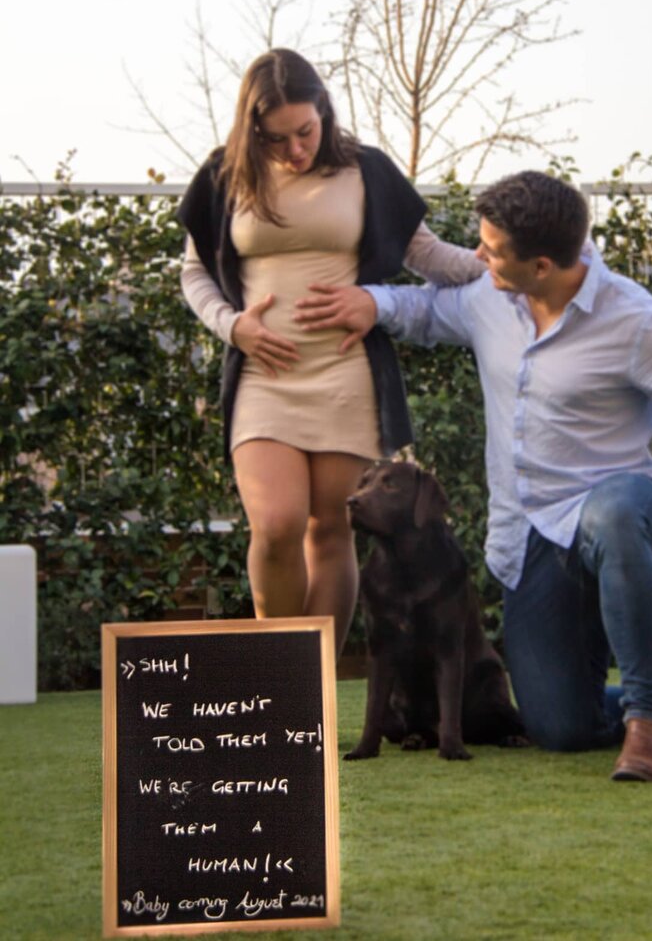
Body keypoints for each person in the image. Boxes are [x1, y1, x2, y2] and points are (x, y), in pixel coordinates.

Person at [293, 170, 652, 782]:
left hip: (624, 510)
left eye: (491, 249)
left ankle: (646, 721)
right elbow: (428, 310)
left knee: (613, 513)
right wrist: (374, 303)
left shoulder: (637, 323)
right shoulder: (492, 297)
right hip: (532, 535)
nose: (477, 256)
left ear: (541, 265)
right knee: (559, 728)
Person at [178, 48, 483, 655]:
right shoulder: (224, 175)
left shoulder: (366, 169)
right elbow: (194, 274)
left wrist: (499, 261)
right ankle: (278, 675)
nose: (295, 149)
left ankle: (310, 688)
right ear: (251, 130)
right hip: (265, 377)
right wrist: (233, 327)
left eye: (305, 131)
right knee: (276, 525)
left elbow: (428, 256)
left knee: (331, 530)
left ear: (324, 110)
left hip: (347, 374)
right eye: (276, 138)